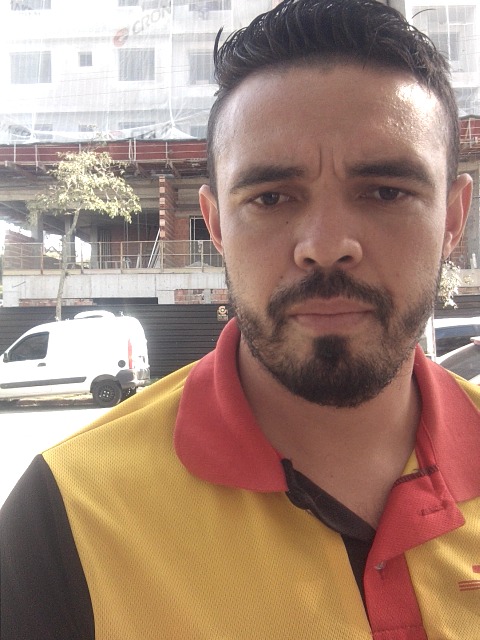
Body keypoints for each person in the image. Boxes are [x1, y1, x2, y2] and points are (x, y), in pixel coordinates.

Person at [1, 0, 478, 637]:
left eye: (387, 192)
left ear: (453, 218)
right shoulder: (66, 513)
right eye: (271, 197)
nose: (325, 245)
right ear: (217, 224)